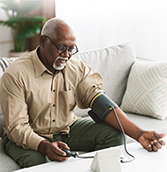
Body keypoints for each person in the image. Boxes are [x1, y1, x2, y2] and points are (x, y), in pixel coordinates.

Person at [0, 18, 165, 168]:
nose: (66, 55)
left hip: (67, 129)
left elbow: (101, 104)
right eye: (61, 48)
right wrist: (45, 146)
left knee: (115, 136)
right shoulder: (16, 74)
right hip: (26, 136)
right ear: (43, 41)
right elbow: (17, 127)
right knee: (40, 164)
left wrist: (140, 134)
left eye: (71, 49)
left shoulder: (76, 68)